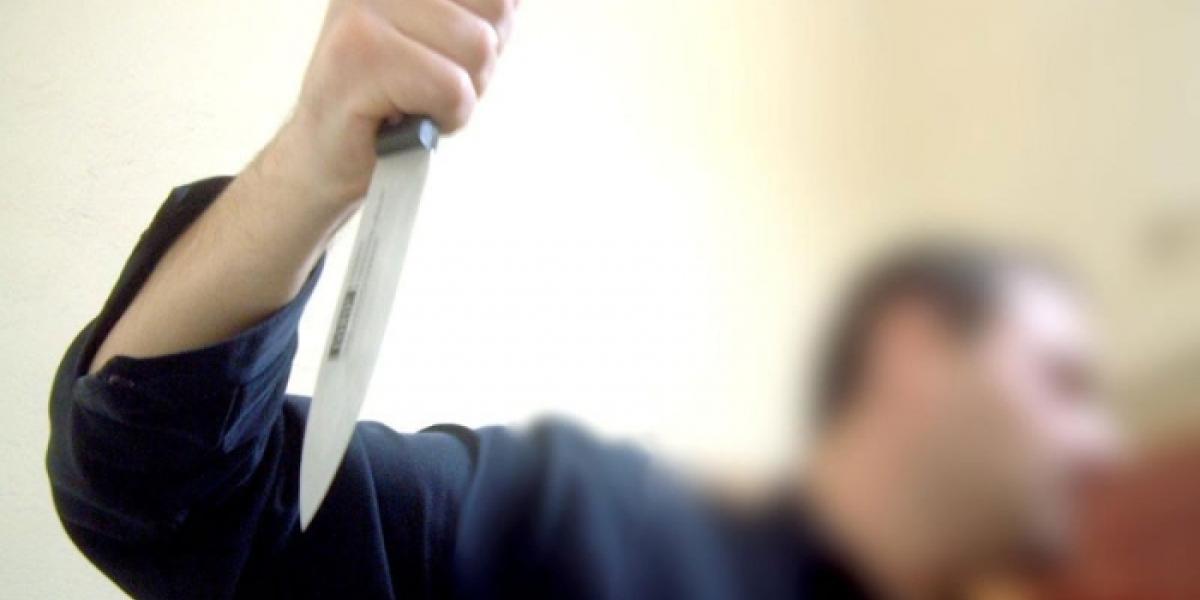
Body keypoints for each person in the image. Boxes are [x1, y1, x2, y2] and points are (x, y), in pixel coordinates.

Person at [45, 0, 1123, 598]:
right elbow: (164, 494)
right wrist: (313, 162)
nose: (1097, 438)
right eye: (1063, 381)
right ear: (917, 347)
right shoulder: (594, 523)